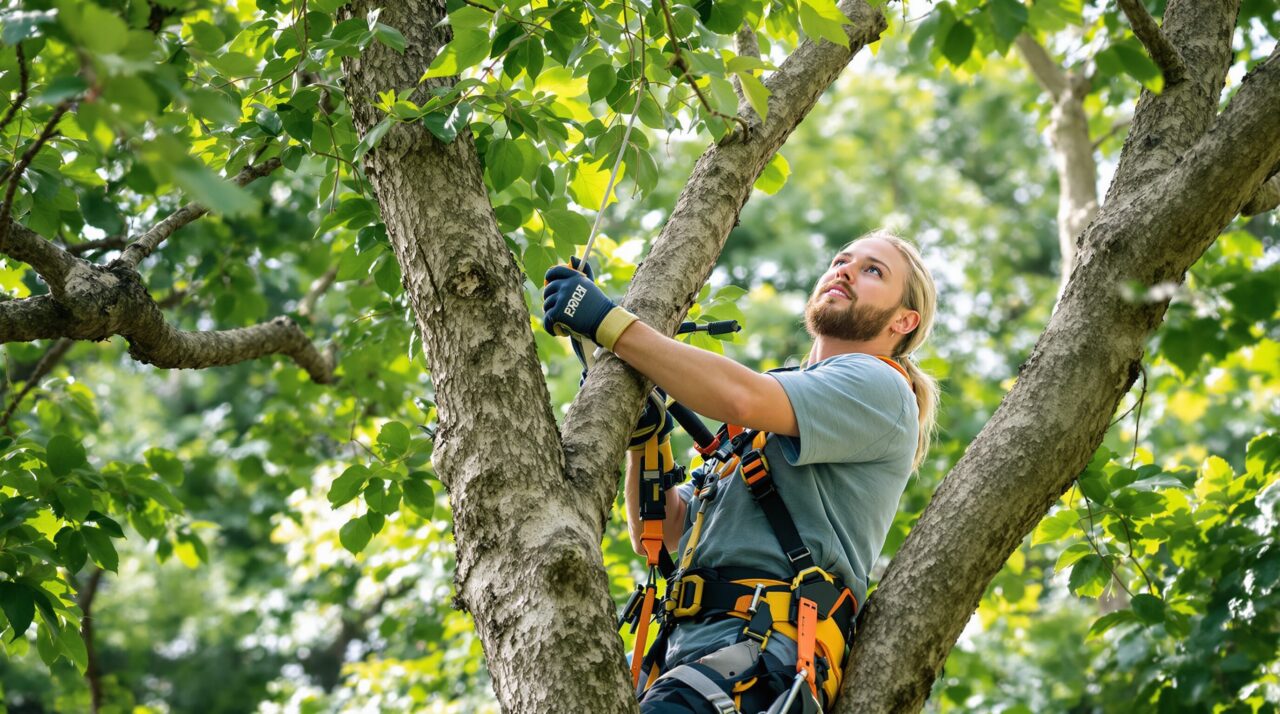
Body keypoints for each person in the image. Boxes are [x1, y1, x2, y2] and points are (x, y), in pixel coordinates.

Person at [542, 231, 939, 713]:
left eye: (873, 270)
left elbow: (741, 396)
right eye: (841, 260)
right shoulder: (759, 430)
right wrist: (647, 437)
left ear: (904, 320)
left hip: (760, 652)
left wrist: (608, 323)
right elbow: (667, 531)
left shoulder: (879, 386)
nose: (846, 270)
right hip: (683, 657)